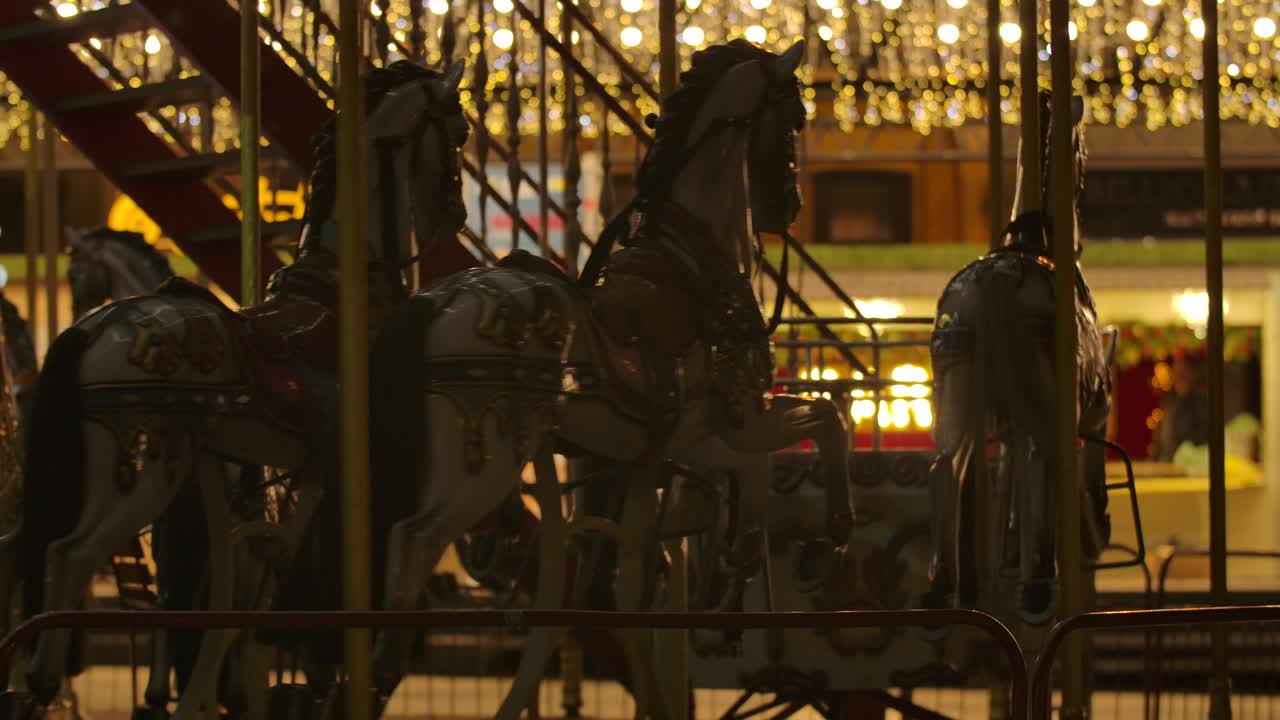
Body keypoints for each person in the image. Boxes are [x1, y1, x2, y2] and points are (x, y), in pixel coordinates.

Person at [1153, 349, 1210, 462]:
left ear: (1192, 373)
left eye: (1183, 371)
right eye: (1177, 370)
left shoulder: (1200, 402)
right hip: (1166, 462)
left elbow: (1201, 438)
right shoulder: (1169, 401)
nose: (1180, 375)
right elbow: (1161, 439)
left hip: (1187, 464)